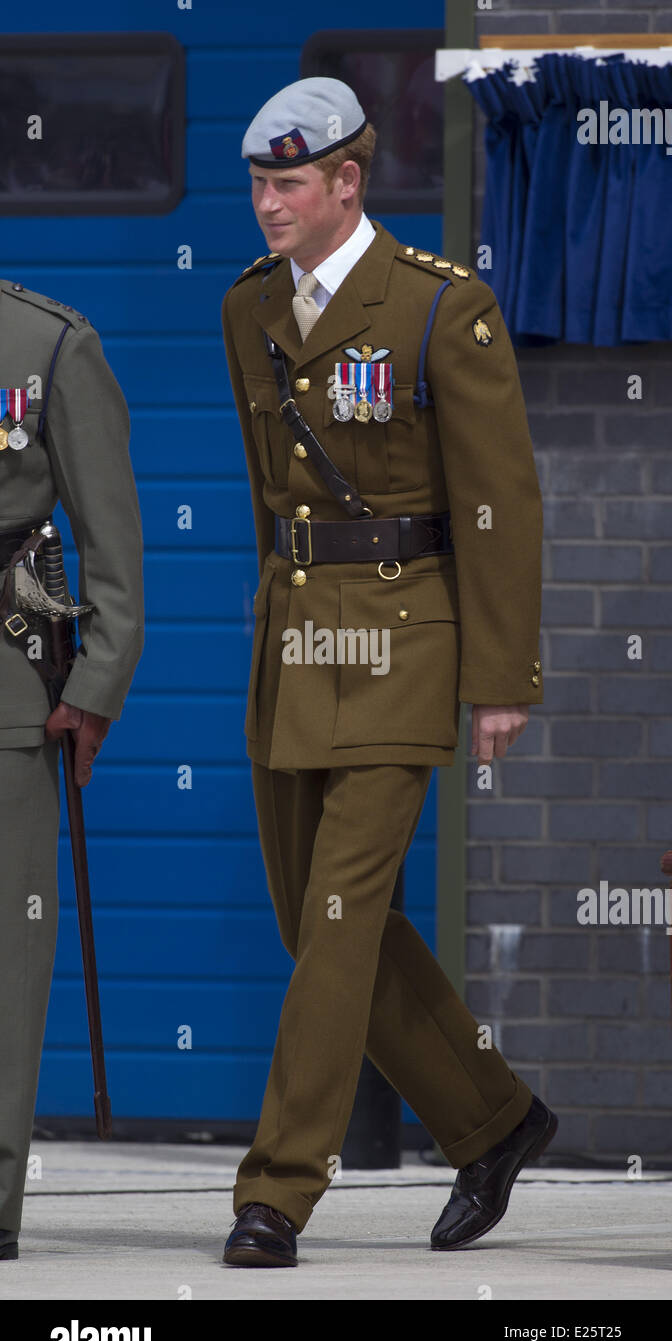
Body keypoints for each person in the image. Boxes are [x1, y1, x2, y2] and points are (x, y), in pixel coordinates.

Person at [221, 77, 556, 1269]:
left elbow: (498, 502)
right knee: (319, 925)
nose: (269, 205)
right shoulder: (248, 309)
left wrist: (498, 674)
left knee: (337, 921)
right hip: (299, 643)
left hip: (406, 645)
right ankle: (495, 1120)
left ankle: (276, 1190)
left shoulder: (436, 307)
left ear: (347, 183)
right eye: (260, 185)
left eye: (290, 184)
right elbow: (276, 500)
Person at [0, 281, 144, 1261]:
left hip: (4, 704)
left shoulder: (51, 347)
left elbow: (112, 552)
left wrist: (92, 685)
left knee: (8, 960)